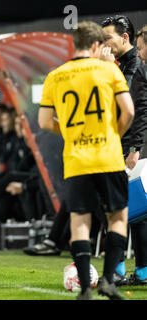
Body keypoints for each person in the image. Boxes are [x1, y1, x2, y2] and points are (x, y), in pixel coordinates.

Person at [39, 21, 135, 300]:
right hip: (107, 156)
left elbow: (45, 121)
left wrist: (70, 131)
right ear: (95, 45)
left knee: (79, 223)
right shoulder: (109, 70)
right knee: (117, 217)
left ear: (75, 44)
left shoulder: (55, 75)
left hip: (77, 159)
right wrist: (111, 134)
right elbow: (128, 112)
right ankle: (107, 280)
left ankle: (84, 289)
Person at [102, 15, 147, 286]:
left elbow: (131, 104)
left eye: (108, 37)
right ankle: (134, 271)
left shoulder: (135, 66)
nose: (103, 43)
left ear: (125, 38)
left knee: (130, 210)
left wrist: (134, 148)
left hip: (133, 148)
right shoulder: (124, 64)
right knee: (128, 210)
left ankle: (122, 271)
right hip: (126, 145)